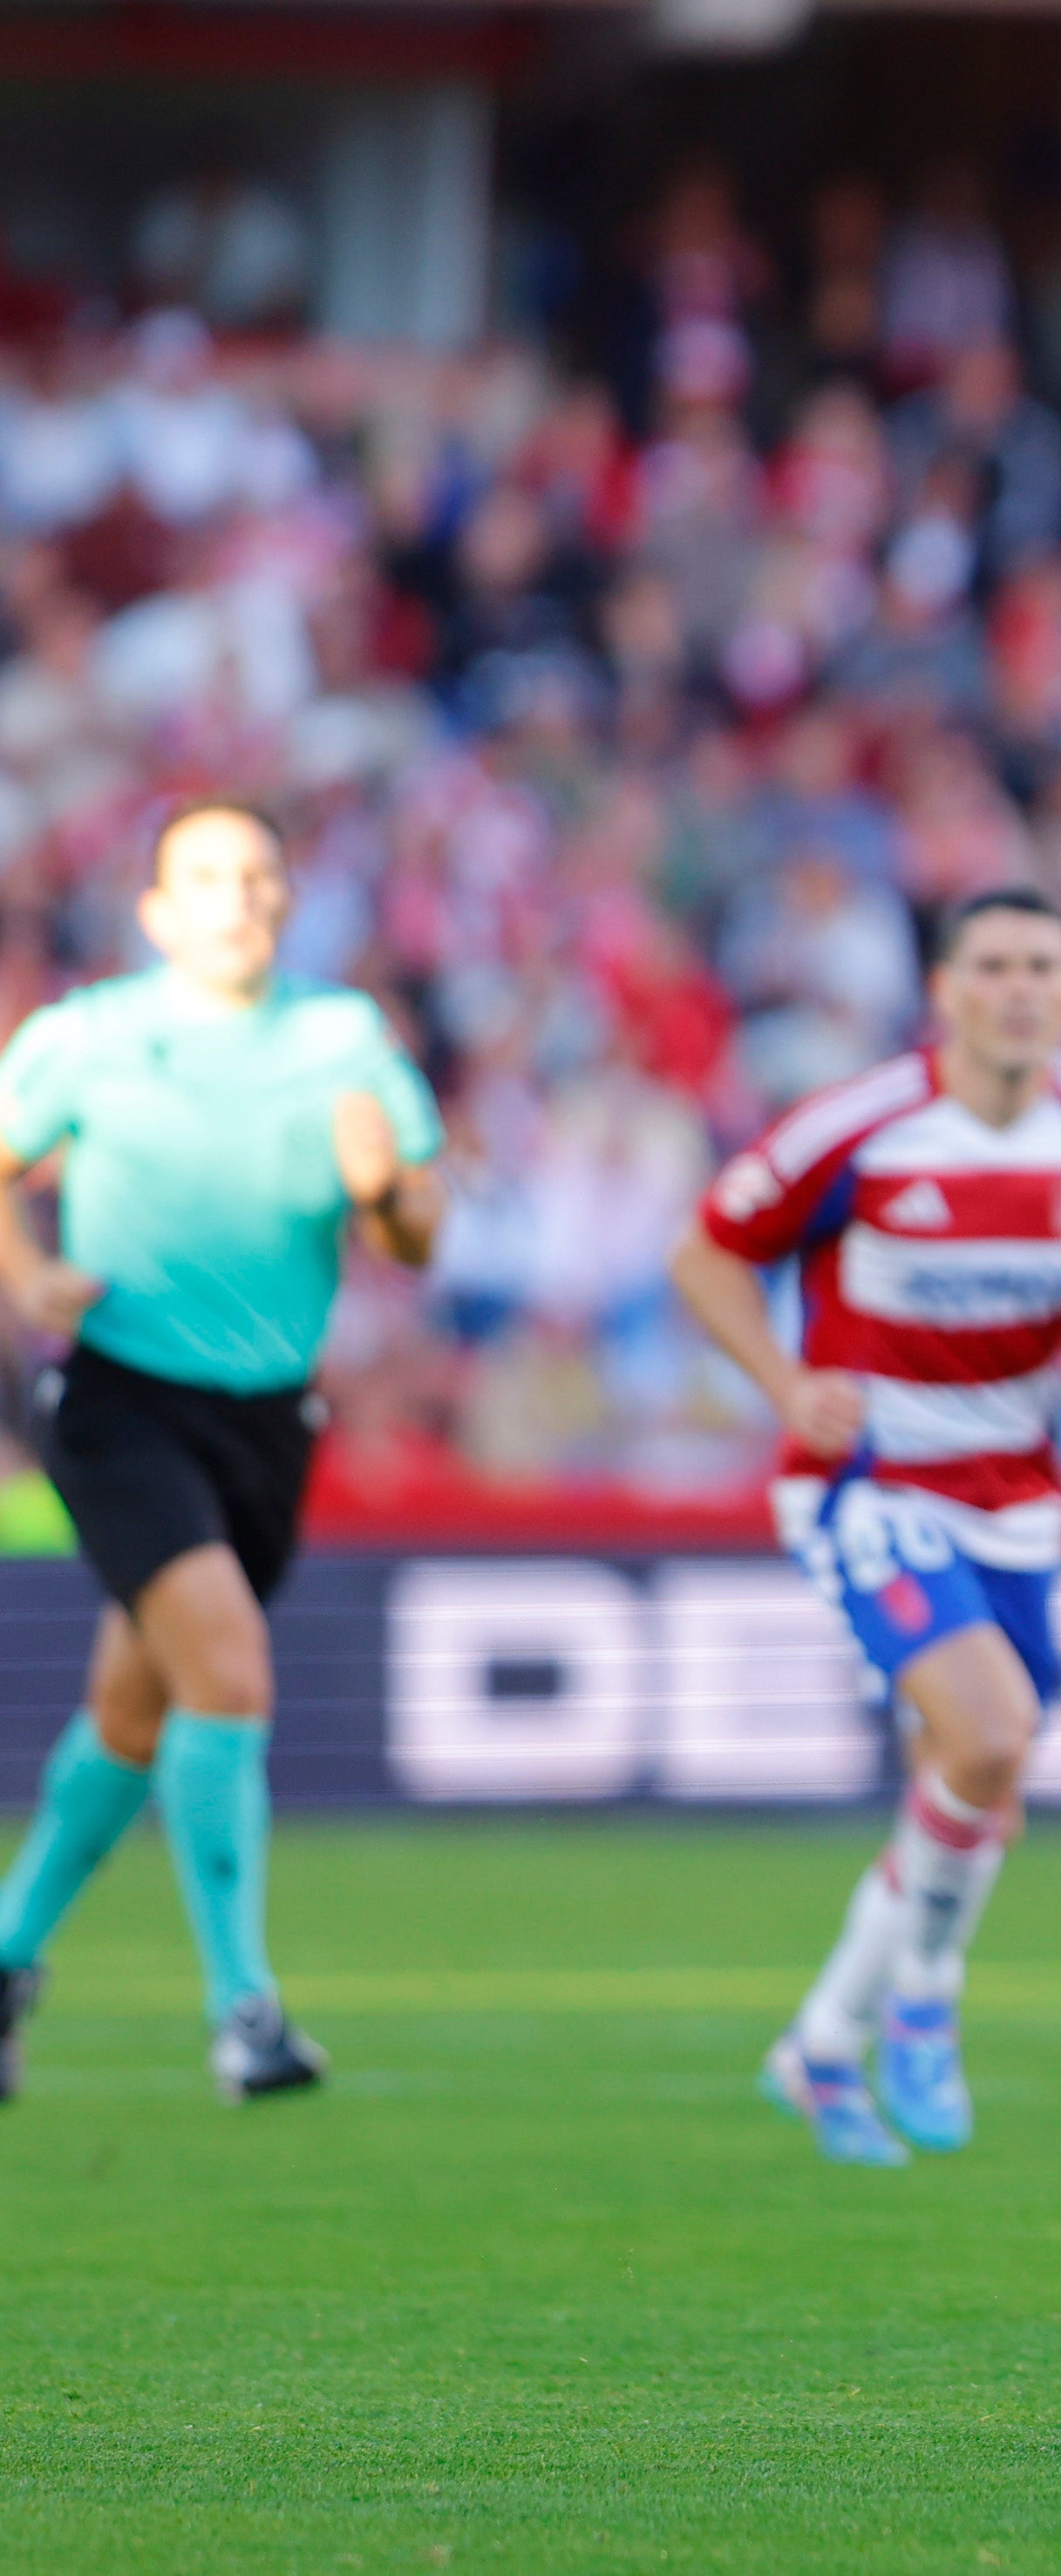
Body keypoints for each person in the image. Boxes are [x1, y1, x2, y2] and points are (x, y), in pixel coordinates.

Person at [668, 888, 1061, 2168]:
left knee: (981, 1793)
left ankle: (822, 2044)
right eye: (995, 966)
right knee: (987, 1732)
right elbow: (704, 1254)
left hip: (1014, 1498)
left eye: (1044, 965)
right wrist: (783, 1386)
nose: (1021, 989)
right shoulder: (860, 1129)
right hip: (869, 1479)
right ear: (946, 991)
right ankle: (925, 1999)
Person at [0, 799, 446, 2103]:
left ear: (286, 898)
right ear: (157, 911)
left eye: (256, 874)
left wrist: (387, 1193)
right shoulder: (90, 1034)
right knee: (231, 1671)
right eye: (206, 876)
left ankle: (8, 1957)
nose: (236, 896)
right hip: (120, 1401)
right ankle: (244, 2009)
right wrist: (27, 1277)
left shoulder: (343, 1036)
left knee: (135, 1711)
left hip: (267, 1419)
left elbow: (419, 1229)